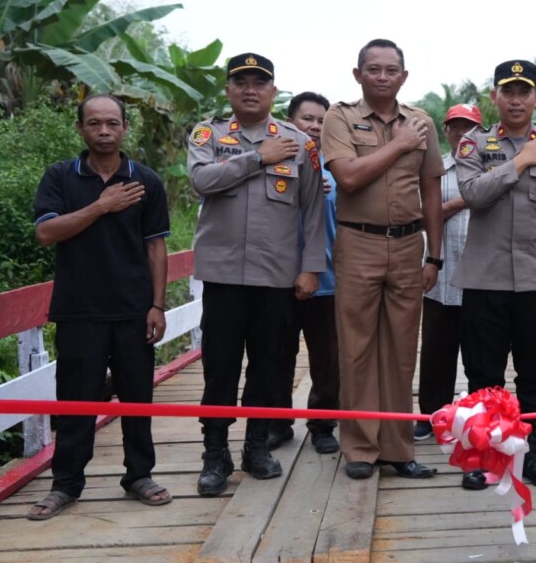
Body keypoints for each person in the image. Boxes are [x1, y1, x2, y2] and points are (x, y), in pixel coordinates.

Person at [188, 53, 326, 496]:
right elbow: (201, 181)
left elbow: (311, 212)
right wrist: (257, 158)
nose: (250, 89)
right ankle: (215, 456)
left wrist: (310, 269)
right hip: (224, 276)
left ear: (273, 91)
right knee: (220, 367)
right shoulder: (209, 134)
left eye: (259, 82)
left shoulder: (297, 142)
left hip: (276, 278)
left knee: (268, 366)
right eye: (241, 81)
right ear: (229, 90)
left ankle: (256, 447)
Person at [29, 94, 172, 519]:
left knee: (137, 397)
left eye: (112, 123)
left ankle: (139, 475)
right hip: (79, 308)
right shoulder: (60, 177)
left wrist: (158, 305)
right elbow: (46, 233)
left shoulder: (145, 180)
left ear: (126, 128)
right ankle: (66, 484)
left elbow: (156, 247)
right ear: (81, 129)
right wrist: (101, 205)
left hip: (133, 307)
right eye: (95, 124)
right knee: (75, 400)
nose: (104, 131)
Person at [454, 59, 536, 490]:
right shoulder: (474, 145)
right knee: (482, 373)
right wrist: (520, 163)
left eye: (523, 91)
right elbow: (472, 194)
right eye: (507, 91)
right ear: (494, 97)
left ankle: (532, 451)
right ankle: (485, 453)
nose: (515, 99)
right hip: (485, 280)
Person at [321, 38, 443, 480]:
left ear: (404, 76)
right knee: (356, 347)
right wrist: (398, 144)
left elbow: (431, 188)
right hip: (359, 243)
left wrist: (436, 255)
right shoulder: (340, 117)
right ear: (358, 75)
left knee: (401, 349)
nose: (383, 76)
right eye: (373, 69)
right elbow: (348, 177)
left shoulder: (422, 122)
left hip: (409, 245)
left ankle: (398, 448)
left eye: (392, 69)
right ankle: (359, 449)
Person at [268, 92, 341, 455]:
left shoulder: (338, 169)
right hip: (278, 279)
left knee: (328, 359)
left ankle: (323, 423)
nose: (313, 126)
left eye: (320, 121)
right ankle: (278, 423)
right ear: (289, 121)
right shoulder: (272, 162)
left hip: (328, 281)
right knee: (276, 355)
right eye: (306, 119)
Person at [414, 103, 484, 442]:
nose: (462, 134)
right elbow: (420, 215)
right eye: (455, 127)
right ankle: (431, 417)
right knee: (436, 354)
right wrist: (463, 201)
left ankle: (477, 419)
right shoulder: (436, 169)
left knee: (480, 356)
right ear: (446, 131)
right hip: (440, 275)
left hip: (482, 280)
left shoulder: (491, 168)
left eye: (469, 128)